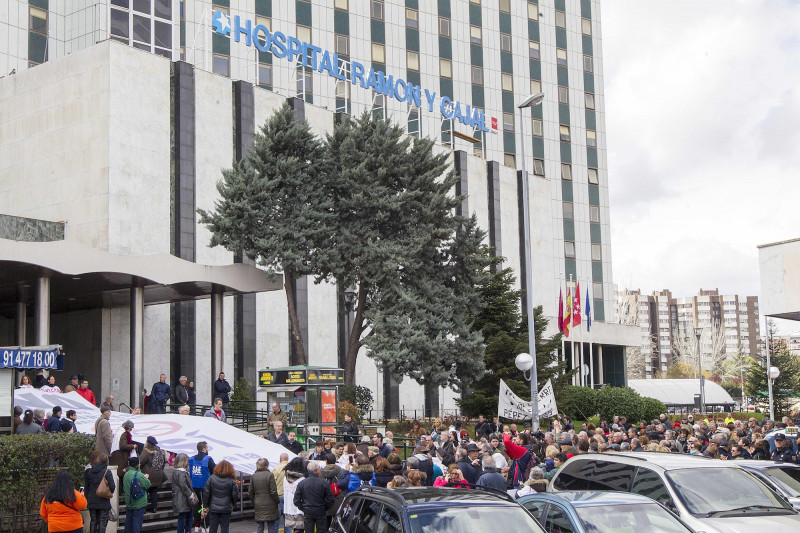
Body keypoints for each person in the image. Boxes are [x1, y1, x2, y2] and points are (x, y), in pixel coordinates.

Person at [294, 460, 334, 533]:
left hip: (308, 511)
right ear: (317, 470)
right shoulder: (324, 483)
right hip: (320, 511)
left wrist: (303, 508)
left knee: (309, 531)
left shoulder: (302, 483)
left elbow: (296, 500)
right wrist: (324, 508)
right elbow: (331, 500)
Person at [203, 459, 240, 533]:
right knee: (225, 527)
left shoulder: (211, 478)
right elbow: (235, 495)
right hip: (226, 507)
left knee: (213, 527)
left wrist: (206, 505)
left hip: (213, 506)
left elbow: (206, 492)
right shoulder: (232, 481)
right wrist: (233, 504)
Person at [84, 452, 116, 533]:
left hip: (91, 499)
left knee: (93, 520)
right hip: (103, 500)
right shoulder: (107, 472)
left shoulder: (89, 471)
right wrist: (107, 492)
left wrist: (87, 498)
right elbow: (112, 486)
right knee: (102, 521)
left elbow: (86, 487)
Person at [249, 458, 280, 533]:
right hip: (271, 504)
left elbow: (250, 492)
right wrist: (277, 500)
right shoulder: (269, 475)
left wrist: (254, 501)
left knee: (260, 526)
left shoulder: (254, 476)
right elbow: (273, 491)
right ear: (267, 465)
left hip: (258, 503)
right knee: (271, 525)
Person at [190, 441, 217, 526]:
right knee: (206, 506)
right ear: (204, 449)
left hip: (195, 486)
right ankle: (206, 525)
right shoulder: (208, 459)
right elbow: (215, 470)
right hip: (206, 487)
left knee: (196, 506)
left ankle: (197, 525)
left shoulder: (191, 459)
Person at [320, 454, 349, 529]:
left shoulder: (321, 472)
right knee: (338, 524)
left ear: (326, 461)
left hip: (326, 500)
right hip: (338, 499)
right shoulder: (340, 470)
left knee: (326, 524)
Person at [123, 457, 151, 533]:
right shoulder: (139, 475)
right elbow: (148, 484)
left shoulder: (126, 474)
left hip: (129, 503)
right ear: (137, 465)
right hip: (138, 503)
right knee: (136, 525)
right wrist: (146, 477)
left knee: (128, 525)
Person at [139, 436, 166, 513]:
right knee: (154, 492)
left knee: (145, 491)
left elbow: (139, 463)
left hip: (148, 476)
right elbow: (163, 464)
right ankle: (154, 508)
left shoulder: (146, 452)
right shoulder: (160, 452)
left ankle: (143, 509)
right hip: (158, 475)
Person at [171, 453, 195, 533]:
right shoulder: (181, 473)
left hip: (181, 498)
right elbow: (183, 485)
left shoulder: (176, 472)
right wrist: (190, 494)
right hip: (183, 499)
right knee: (185, 518)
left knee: (185, 517)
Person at [283, 458, 306, 533]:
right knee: (300, 529)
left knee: (293, 529)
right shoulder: (302, 479)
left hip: (288, 508)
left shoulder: (285, 478)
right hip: (299, 508)